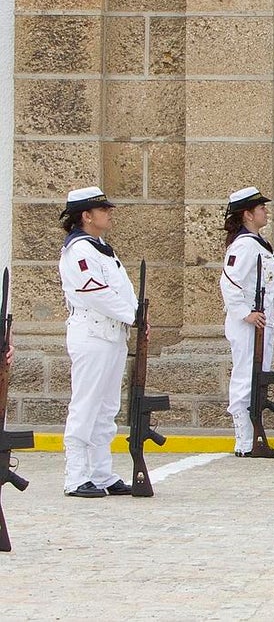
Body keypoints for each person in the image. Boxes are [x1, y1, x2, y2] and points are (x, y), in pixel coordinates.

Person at [58, 186, 140, 497]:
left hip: (111, 334)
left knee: (107, 408)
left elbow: (121, 289)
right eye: (103, 209)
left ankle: (101, 473)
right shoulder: (78, 251)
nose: (109, 213)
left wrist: (135, 313)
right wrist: (134, 315)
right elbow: (98, 293)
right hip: (92, 334)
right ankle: (76, 476)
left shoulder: (101, 248)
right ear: (86, 216)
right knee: (86, 404)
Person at [220, 187, 274, 458]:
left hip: (262, 323)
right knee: (246, 377)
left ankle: (254, 437)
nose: (265, 211)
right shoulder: (245, 245)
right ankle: (245, 441)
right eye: (261, 208)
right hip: (250, 324)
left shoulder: (257, 243)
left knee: (257, 376)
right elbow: (229, 281)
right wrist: (244, 312)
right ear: (247, 214)